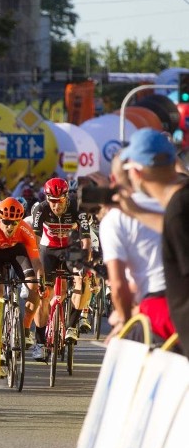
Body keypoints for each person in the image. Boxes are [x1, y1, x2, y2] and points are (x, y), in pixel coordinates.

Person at [111, 128, 187, 354]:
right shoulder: (179, 206)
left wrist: (137, 314)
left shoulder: (179, 210)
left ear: (136, 172)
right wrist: (135, 212)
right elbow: (173, 227)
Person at [99, 153, 170, 343]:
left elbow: (118, 285)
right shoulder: (177, 202)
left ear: (113, 180)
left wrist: (126, 321)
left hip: (160, 309)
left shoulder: (115, 218)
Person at [31, 177, 91, 353]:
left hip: (70, 249)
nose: (56, 206)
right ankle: (40, 342)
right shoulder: (40, 209)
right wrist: (37, 269)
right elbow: (34, 242)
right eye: (52, 201)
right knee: (42, 294)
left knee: (82, 280)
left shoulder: (77, 209)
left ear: (67, 197)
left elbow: (86, 240)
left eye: (60, 201)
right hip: (47, 250)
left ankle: (72, 325)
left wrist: (85, 262)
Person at [0, 198, 45, 360]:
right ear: (0, 218)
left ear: (19, 221)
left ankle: (25, 329)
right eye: (6, 222)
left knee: (34, 286)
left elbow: (36, 260)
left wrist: (41, 280)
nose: (10, 226)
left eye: (14, 223)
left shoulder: (25, 229)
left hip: (17, 251)